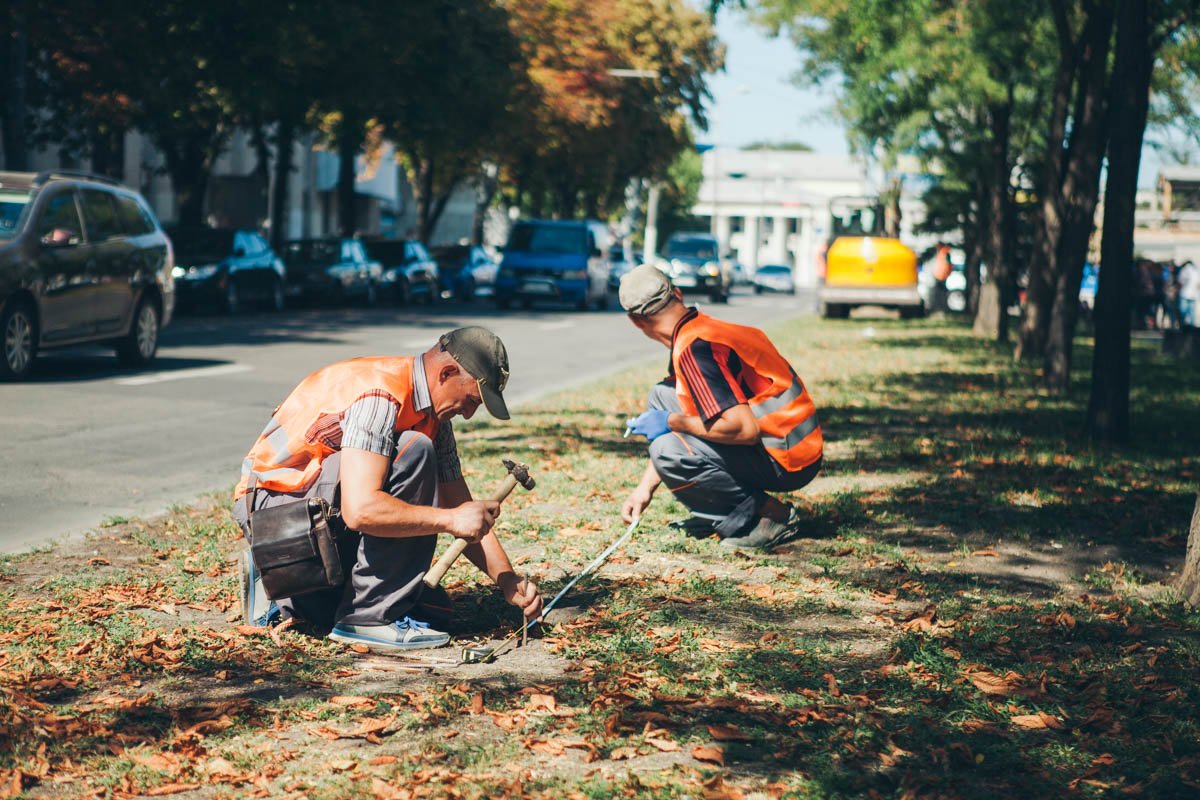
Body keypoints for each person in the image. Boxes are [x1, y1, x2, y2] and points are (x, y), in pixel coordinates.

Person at [232, 326, 543, 652]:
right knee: (415, 450)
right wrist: (450, 520)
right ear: (447, 372)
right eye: (470, 400)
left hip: (309, 511)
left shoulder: (435, 418)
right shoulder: (382, 395)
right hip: (273, 511)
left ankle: (278, 586)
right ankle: (367, 619)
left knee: (431, 609)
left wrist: (506, 579)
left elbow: (463, 507)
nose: (468, 414)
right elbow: (361, 510)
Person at [617, 264, 823, 550]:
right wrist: (644, 489)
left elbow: (744, 429)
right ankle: (735, 509)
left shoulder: (695, 351)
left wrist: (671, 422)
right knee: (661, 395)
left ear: (636, 321)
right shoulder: (701, 330)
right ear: (678, 293)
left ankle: (775, 516)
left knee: (665, 450)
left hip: (788, 460)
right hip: (794, 444)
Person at [1179, 260, 1199, 328]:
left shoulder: (1184, 270)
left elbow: (1180, 282)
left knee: (1183, 312)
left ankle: (1184, 326)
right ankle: (1190, 327)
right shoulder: (1196, 271)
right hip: (1193, 295)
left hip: (1186, 294)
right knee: (1191, 313)